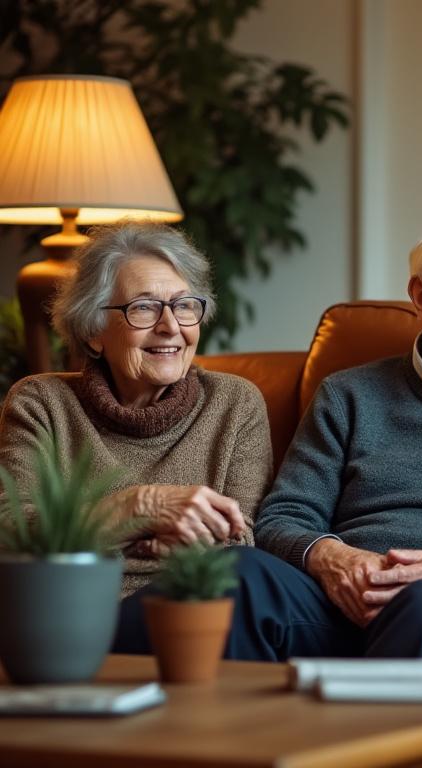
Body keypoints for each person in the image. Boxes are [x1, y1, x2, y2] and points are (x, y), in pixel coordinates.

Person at [118, 206, 422, 660]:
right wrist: (332, 559)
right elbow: (284, 516)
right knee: (233, 574)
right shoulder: (350, 394)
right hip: (334, 599)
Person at [0, 221, 271, 598]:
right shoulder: (42, 405)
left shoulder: (235, 404)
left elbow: (239, 545)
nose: (170, 326)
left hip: (192, 610)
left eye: (184, 305)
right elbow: (11, 534)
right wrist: (139, 508)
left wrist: (106, 537)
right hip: (71, 610)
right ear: (93, 330)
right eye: (144, 308)